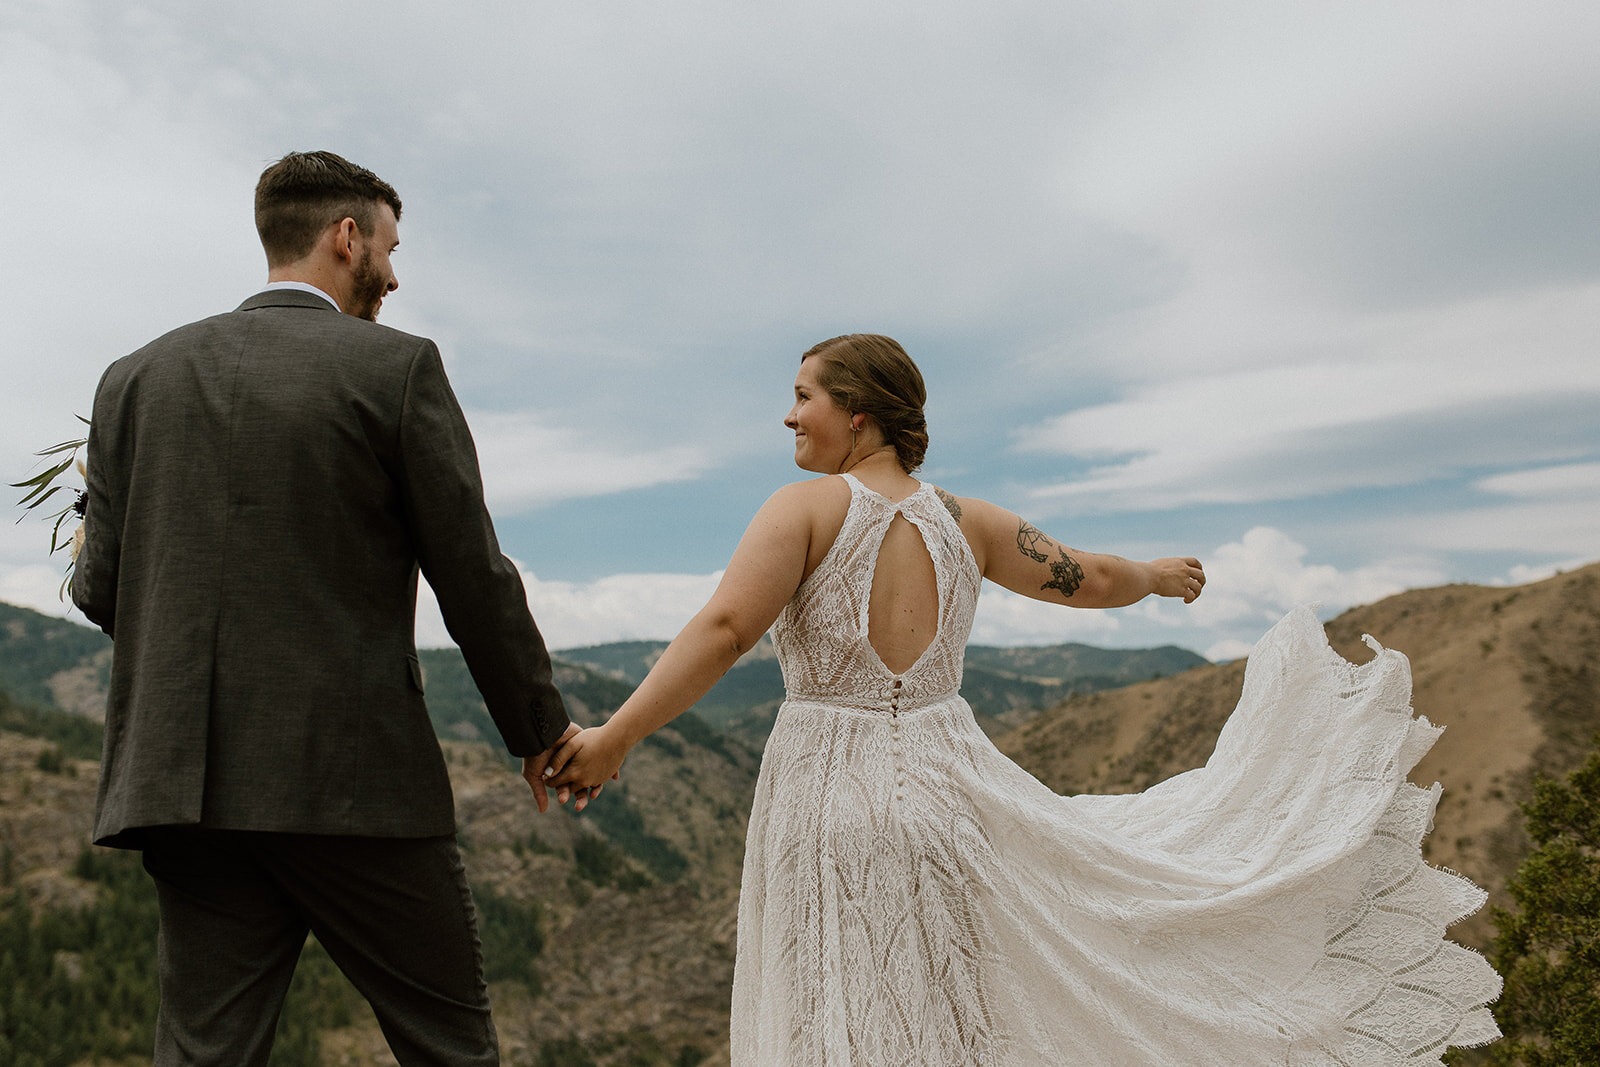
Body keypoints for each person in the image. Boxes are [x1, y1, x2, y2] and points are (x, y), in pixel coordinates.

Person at [545, 333, 1501, 1065]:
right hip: (949, 790)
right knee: (949, 1011)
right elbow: (1085, 576)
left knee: (838, 1005)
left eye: (803, 399)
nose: (790, 418)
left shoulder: (803, 508)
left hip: (828, 791)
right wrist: (1160, 575)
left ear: (862, 417)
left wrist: (619, 735)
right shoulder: (970, 521)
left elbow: (724, 631)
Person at [71, 150, 576, 1066]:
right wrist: (537, 726)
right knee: (448, 1046)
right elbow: (472, 576)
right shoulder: (396, 369)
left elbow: (100, 592)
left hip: (185, 787)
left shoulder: (132, 379)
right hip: (355, 786)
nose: (394, 269)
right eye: (390, 245)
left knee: (203, 1053)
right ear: (347, 239)